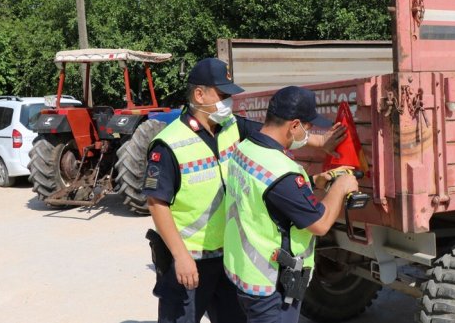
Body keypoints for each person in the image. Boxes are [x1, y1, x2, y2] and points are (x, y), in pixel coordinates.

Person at [143, 59, 344, 323]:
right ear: (199, 94)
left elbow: (272, 137)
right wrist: (180, 256)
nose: (230, 103)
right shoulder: (169, 144)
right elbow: (157, 203)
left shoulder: (231, 127)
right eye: (223, 95)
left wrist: (319, 142)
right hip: (190, 258)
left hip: (228, 256)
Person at [222, 86, 360, 323]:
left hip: (245, 271)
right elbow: (320, 224)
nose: (308, 133)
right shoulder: (282, 172)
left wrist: (313, 181)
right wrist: (341, 187)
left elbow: (268, 195)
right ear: (294, 125)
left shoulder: (245, 149)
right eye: (307, 127)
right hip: (271, 286)